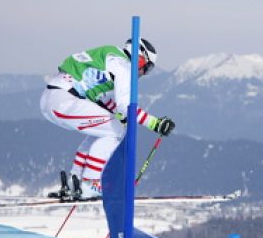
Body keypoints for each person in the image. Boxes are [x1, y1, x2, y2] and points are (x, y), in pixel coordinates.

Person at [39, 38, 175, 199]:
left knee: (104, 130)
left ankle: (74, 181)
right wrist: (155, 124)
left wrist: (120, 116)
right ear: (140, 57)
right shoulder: (124, 66)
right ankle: (90, 183)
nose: (143, 73)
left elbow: (101, 98)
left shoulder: (111, 56)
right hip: (64, 101)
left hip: (55, 98)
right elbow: (125, 105)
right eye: (147, 67)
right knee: (117, 131)